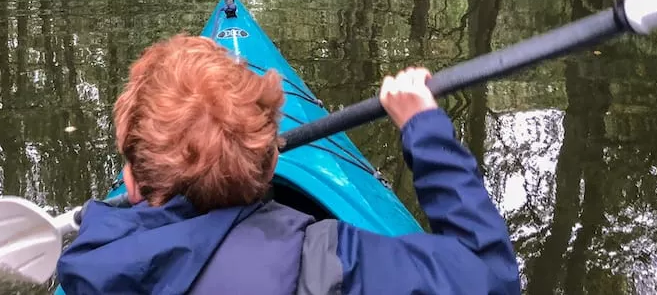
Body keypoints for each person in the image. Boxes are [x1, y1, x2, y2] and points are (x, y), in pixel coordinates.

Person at [55, 35, 521, 295]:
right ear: (271, 156)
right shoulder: (333, 264)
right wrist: (424, 130)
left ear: (131, 183)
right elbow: (491, 277)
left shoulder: (84, 270)